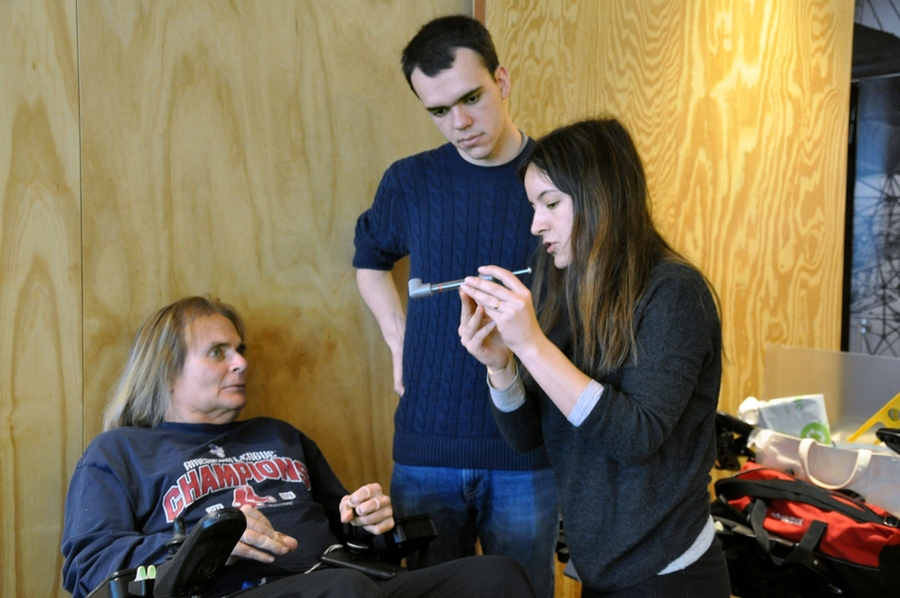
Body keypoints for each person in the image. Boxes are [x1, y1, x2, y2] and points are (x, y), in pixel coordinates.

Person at [61, 296, 537, 598]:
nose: (241, 363)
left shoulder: (279, 436)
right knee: (342, 590)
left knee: (496, 577)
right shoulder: (118, 453)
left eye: (240, 349)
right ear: (165, 370)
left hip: (345, 580)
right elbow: (88, 571)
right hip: (234, 592)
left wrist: (365, 522)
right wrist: (207, 543)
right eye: (218, 353)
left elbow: (348, 535)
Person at [457, 117, 732, 597]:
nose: (535, 223)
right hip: (602, 571)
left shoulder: (673, 293)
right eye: (533, 205)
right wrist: (501, 366)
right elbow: (529, 438)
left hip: (670, 575)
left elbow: (635, 436)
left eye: (551, 203)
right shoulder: (568, 290)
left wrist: (532, 346)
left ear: (600, 197)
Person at [352, 14, 557, 597]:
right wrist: (400, 339)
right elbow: (369, 260)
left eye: (472, 98)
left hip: (528, 450)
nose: (460, 123)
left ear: (504, 80)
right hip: (425, 449)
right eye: (439, 111)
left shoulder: (557, 176)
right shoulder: (410, 181)